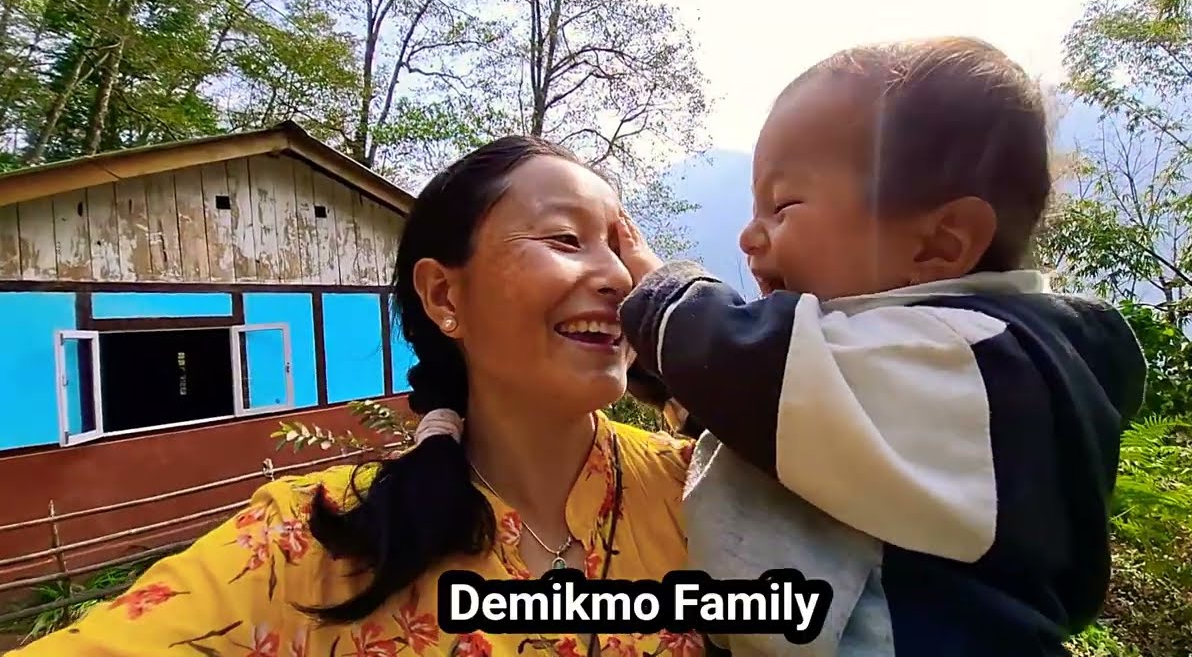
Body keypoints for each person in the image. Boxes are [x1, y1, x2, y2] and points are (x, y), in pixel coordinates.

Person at [12, 136, 704, 657]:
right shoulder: (312, 543)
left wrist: (684, 336)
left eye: (620, 252)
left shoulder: (695, 495)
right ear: (444, 296)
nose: (619, 278)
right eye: (565, 239)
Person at [615, 37, 1149, 656]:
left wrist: (664, 298)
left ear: (939, 245)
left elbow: (760, 374)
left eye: (783, 205)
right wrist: (662, 373)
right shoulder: (892, 375)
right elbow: (777, 428)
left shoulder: (982, 361)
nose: (747, 236)